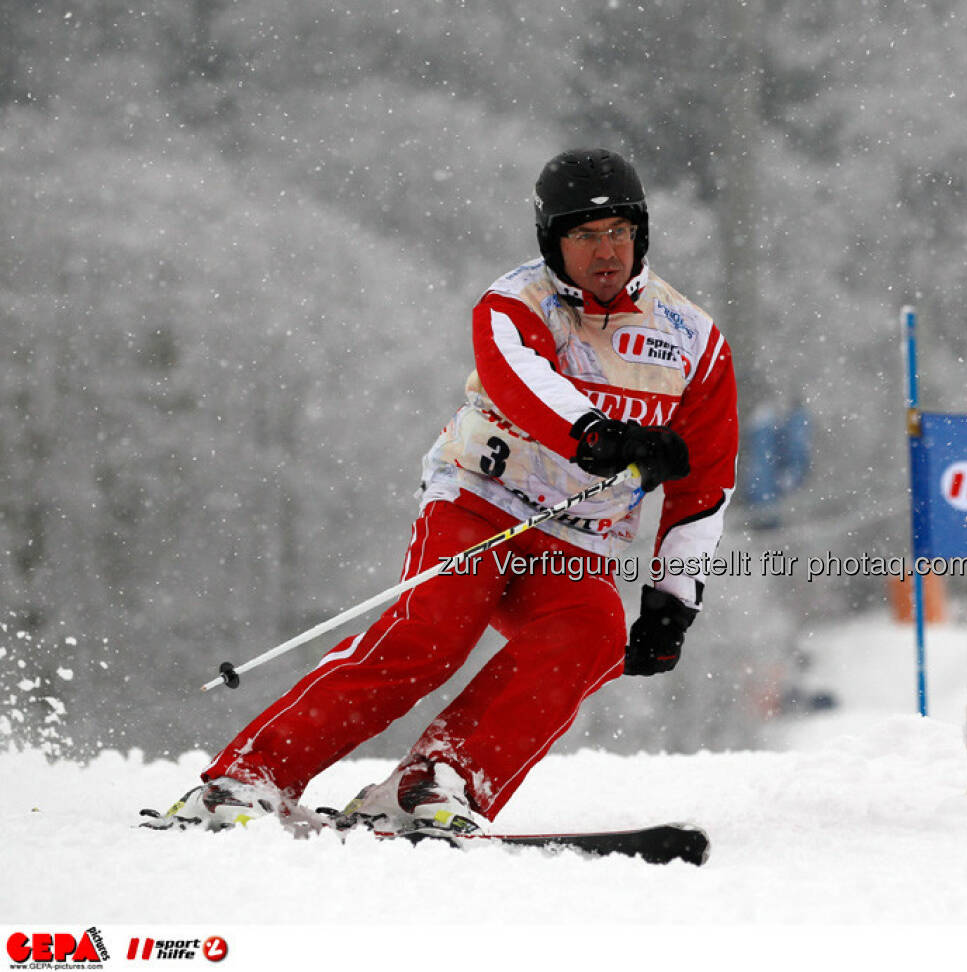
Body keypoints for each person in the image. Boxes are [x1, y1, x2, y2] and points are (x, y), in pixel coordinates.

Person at [154, 148, 739, 835]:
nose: (605, 251)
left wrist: (673, 601)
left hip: (576, 538)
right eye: (583, 235)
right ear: (552, 240)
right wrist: (599, 435)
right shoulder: (513, 303)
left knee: (591, 635)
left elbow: (706, 485)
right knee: (434, 632)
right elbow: (522, 383)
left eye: (619, 231)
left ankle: (437, 779)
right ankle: (248, 776)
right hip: (479, 500)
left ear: (641, 233)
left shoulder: (692, 341)